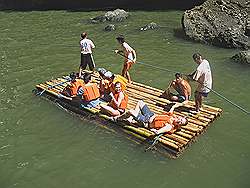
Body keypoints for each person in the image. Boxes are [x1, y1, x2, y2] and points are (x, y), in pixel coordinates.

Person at [115, 100, 188, 135]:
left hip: (146, 121)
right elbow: (173, 107)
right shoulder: (173, 116)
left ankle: (118, 118)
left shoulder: (170, 126)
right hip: (150, 114)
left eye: (181, 122)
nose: (179, 121)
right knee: (140, 102)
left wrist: (157, 131)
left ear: (179, 125)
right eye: (181, 119)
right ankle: (131, 119)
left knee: (130, 111)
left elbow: (162, 130)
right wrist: (181, 103)